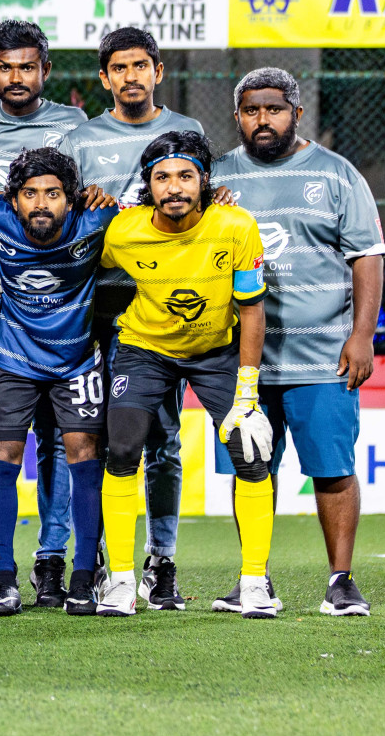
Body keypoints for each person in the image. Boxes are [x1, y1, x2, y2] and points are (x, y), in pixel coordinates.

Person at [210, 68, 385, 617]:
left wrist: (361, 336)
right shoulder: (216, 177)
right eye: (252, 110)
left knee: (332, 467)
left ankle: (341, 580)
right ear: (237, 116)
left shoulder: (336, 174)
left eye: (274, 109)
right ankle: (254, 580)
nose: (264, 120)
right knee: (251, 468)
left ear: (296, 113)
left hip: (323, 356)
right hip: (244, 362)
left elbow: (368, 257)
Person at [97, 130, 277, 618]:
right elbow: (82, 266)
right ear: (148, 185)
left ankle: (256, 583)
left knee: (249, 450)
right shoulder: (122, 231)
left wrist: (247, 393)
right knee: (121, 447)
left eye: (185, 176)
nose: (174, 187)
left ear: (204, 182)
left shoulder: (236, 226)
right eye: (162, 178)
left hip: (216, 349)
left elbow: (254, 310)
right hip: (144, 348)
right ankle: (119, 582)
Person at [60, 26, 205, 611]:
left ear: (158, 71)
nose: (130, 76)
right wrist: (83, 200)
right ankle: (93, 559)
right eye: (119, 68)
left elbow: (207, 203)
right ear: (105, 78)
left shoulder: (188, 132)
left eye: (140, 65)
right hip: (94, 304)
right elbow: (63, 222)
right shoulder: (81, 139)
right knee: (90, 439)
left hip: (162, 300)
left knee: (164, 441)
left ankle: (160, 561)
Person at [0, 19, 90, 607]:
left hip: (60, 293)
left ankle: (56, 560)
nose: (16, 78)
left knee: (67, 441)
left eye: (27, 67)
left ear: (45, 71)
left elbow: (96, 199)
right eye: (5, 67)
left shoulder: (73, 125)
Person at [0, 148, 117, 615]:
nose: (41, 204)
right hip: (11, 360)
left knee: (84, 455)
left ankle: (82, 576)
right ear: (12, 200)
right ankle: (1, 578)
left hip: (76, 362)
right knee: (3, 457)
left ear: (72, 199)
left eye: (53, 194)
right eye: (30, 193)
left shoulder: (99, 220)